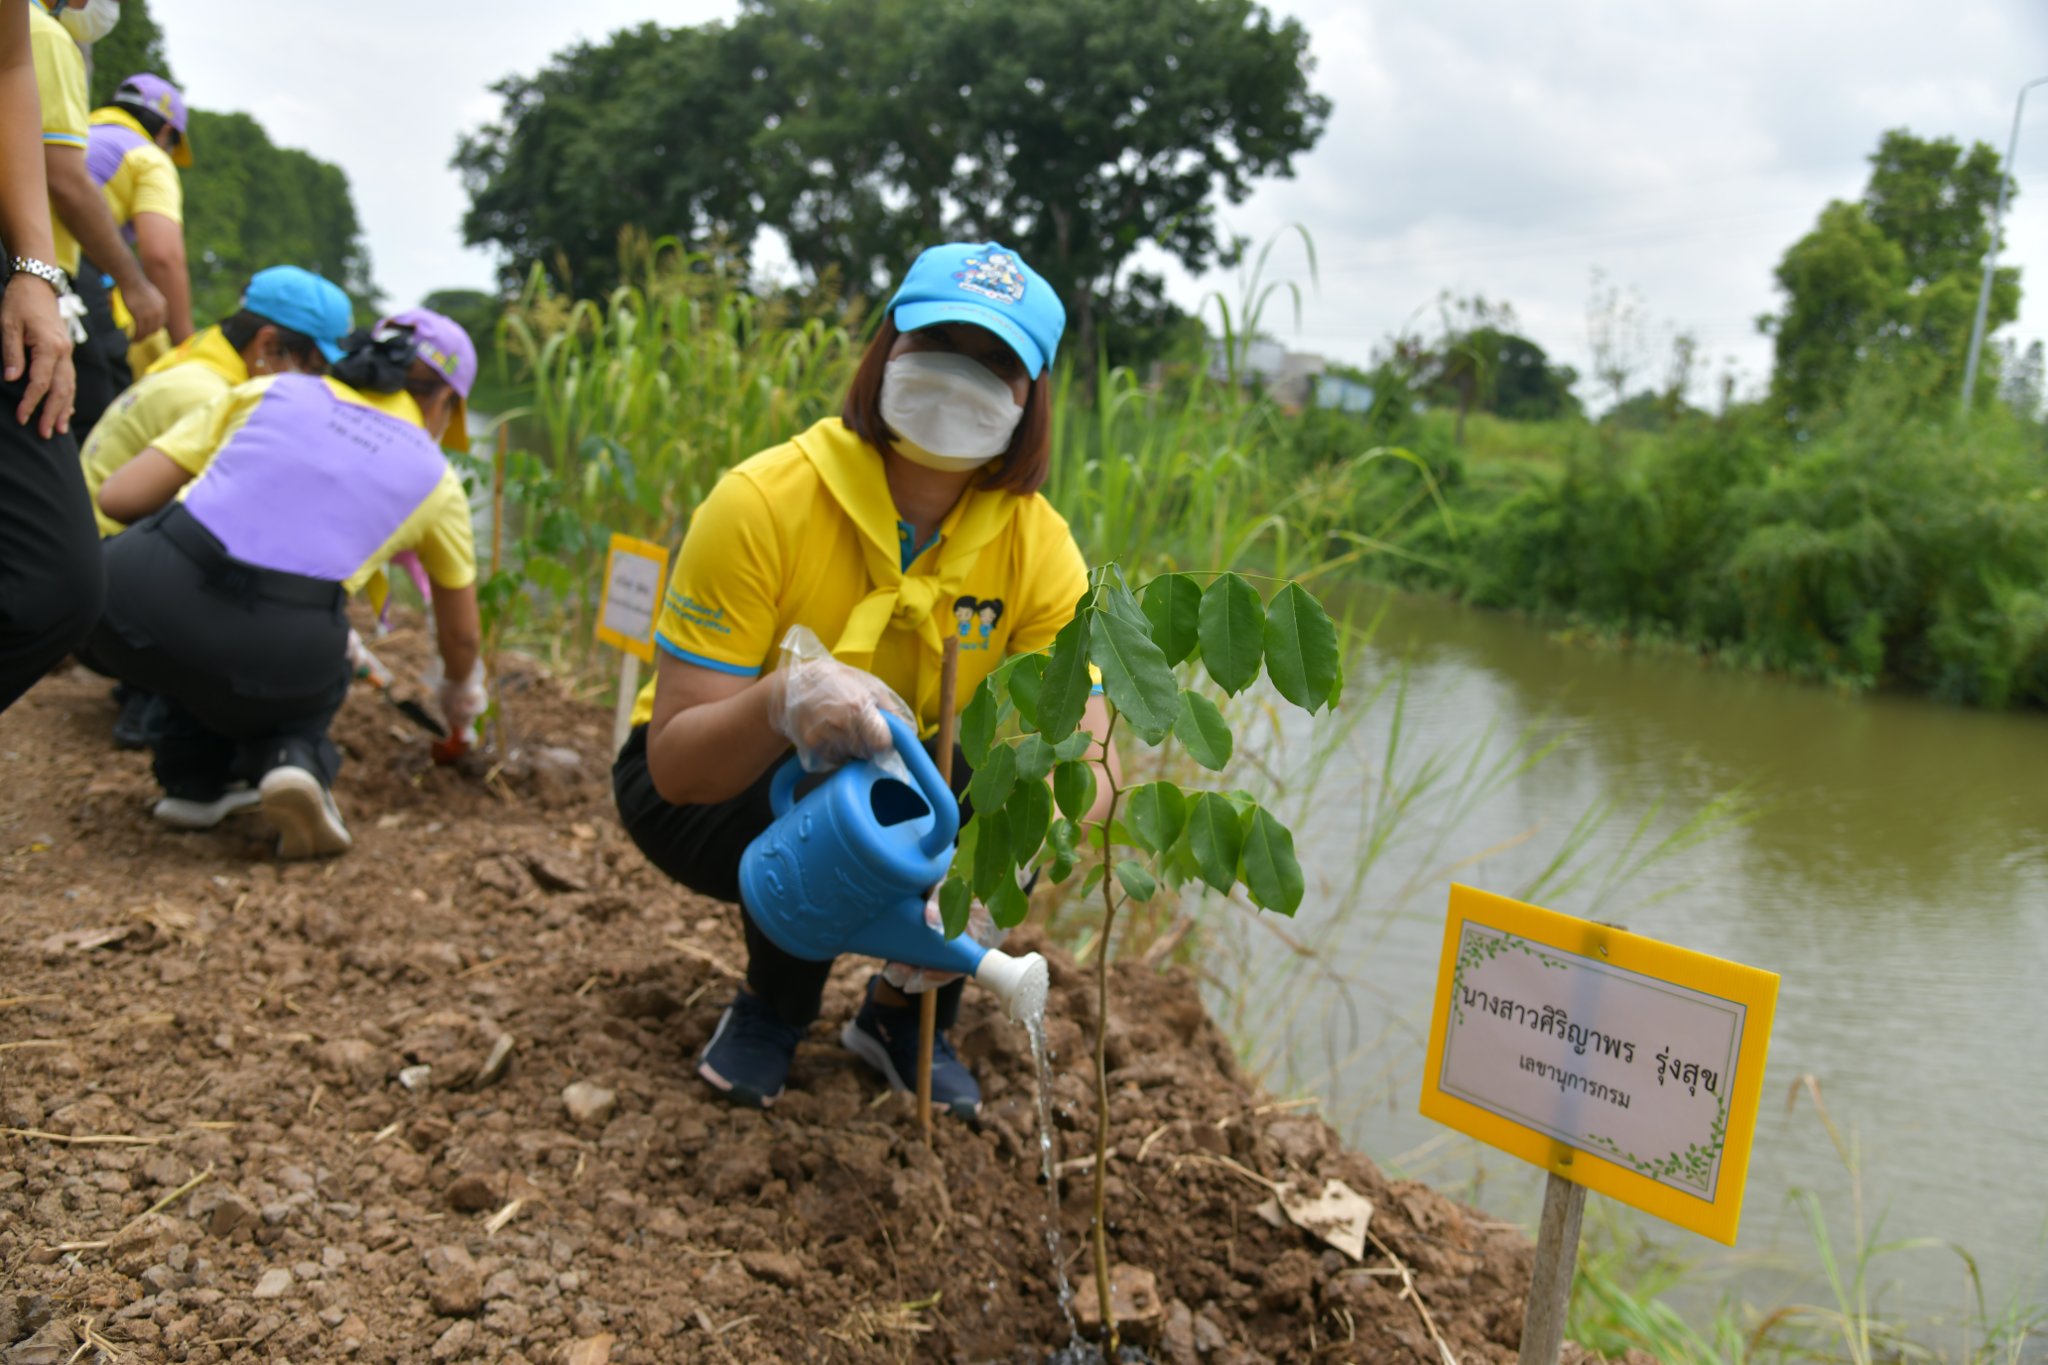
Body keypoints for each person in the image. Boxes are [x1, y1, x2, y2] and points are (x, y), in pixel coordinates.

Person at [614, 241, 1116, 1117]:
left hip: (914, 790)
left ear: (1031, 400)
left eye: (997, 361)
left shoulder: (1039, 548)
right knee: (843, 783)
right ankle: (776, 1004)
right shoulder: (764, 501)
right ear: (887, 348)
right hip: (714, 790)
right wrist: (781, 700)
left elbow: (1093, 764)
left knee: (996, 796)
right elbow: (677, 766)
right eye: (939, 344)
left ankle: (904, 1014)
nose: (962, 377)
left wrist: (1002, 872)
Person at [85, 309, 485, 857]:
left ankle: (194, 786)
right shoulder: (434, 477)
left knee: (202, 653)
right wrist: (461, 696)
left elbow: (119, 498)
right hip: (279, 652)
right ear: (445, 402)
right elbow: (460, 639)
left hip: (120, 607)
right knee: (313, 659)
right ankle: (293, 760)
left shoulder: (275, 391)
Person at [80, 263, 351, 748]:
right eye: (312, 369)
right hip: (97, 586)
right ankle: (161, 705)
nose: (315, 386)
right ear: (269, 346)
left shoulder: (197, 362)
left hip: (95, 561)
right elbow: (219, 532)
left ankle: (147, 683)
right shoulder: (210, 396)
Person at [0, 0, 101, 714]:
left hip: (25, 292)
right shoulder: (56, 40)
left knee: (52, 586)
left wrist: (37, 273)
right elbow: (71, 176)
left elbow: (7, 67)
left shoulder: (34, 40)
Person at [27, 0, 164, 433]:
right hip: (37, 267)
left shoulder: (98, 127)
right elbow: (165, 258)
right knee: (78, 414)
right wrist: (139, 287)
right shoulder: (47, 37)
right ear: (167, 133)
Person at [74, 72, 195, 426]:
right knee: (99, 410)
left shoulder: (79, 131)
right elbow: (163, 258)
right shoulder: (149, 157)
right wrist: (185, 347)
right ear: (166, 133)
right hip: (70, 267)